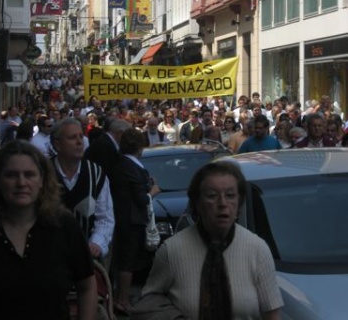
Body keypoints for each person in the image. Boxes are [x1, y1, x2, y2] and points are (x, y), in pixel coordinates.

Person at [0, 140, 97, 320]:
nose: (21, 182)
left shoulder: (64, 227)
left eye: (29, 174)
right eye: (11, 175)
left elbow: (86, 286)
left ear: (42, 181)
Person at [135, 161, 283, 319]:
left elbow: (271, 312)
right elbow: (148, 302)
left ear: (239, 203)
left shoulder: (257, 249)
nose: (223, 203)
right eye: (212, 195)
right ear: (197, 203)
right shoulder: (172, 250)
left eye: (230, 195)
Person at [112, 129, 161, 315]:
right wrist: (153, 191)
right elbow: (141, 199)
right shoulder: (130, 166)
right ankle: (123, 300)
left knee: (126, 260)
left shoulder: (124, 164)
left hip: (127, 219)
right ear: (139, 147)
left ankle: (120, 297)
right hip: (131, 221)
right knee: (128, 261)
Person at [51, 118, 114, 259]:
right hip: (50, 256)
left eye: (81, 136)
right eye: (72, 138)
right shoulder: (43, 174)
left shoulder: (96, 174)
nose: (79, 142)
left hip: (87, 257)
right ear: (57, 144)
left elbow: (105, 218)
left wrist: (96, 244)